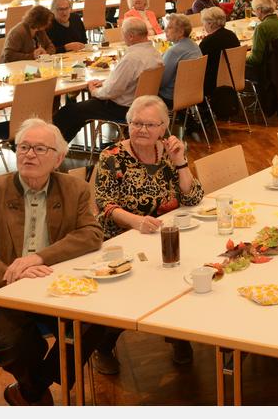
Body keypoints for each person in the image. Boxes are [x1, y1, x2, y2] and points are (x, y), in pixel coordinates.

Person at [0, 118, 105, 406]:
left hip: (50, 287)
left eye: (39, 148)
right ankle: (37, 394)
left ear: (58, 158)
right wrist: (13, 274)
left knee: (100, 319)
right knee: (20, 342)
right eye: (23, 147)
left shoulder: (74, 189)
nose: (29, 154)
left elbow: (92, 234)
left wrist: (40, 257)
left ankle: (30, 390)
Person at [91, 96, 204, 371]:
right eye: (136, 123)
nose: (142, 129)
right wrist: (135, 221)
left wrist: (181, 163)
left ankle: (178, 333)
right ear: (127, 124)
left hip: (167, 232)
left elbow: (194, 197)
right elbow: (104, 203)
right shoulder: (112, 158)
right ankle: (103, 345)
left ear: (164, 127)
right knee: (134, 289)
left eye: (150, 124)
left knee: (190, 270)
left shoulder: (168, 152)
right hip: (122, 239)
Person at [53, 18, 162, 142]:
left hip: (122, 108)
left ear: (130, 36)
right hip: (142, 103)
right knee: (78, 113)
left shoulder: (132, 58)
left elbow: (111, 92)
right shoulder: (155, 53)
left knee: (67, 112)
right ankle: (59, 148)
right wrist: (105, 83)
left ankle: (52, 148)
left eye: (123, 33)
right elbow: (128, 80)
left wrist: (94, 90)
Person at [199, 6, 242, 98]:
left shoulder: (207, 42)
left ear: (210, 24)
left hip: (213, 83)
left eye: (204, 23)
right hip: (233, 77)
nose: (204, 26)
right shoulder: (232, 35)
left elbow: (199, 66)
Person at [158, 14, 202, 104]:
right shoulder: (194, 46)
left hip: (171, 97)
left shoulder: (174, 51)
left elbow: (161, 82)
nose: (165, 30)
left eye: (169, 27)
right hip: (193, 93)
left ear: (181, 32)